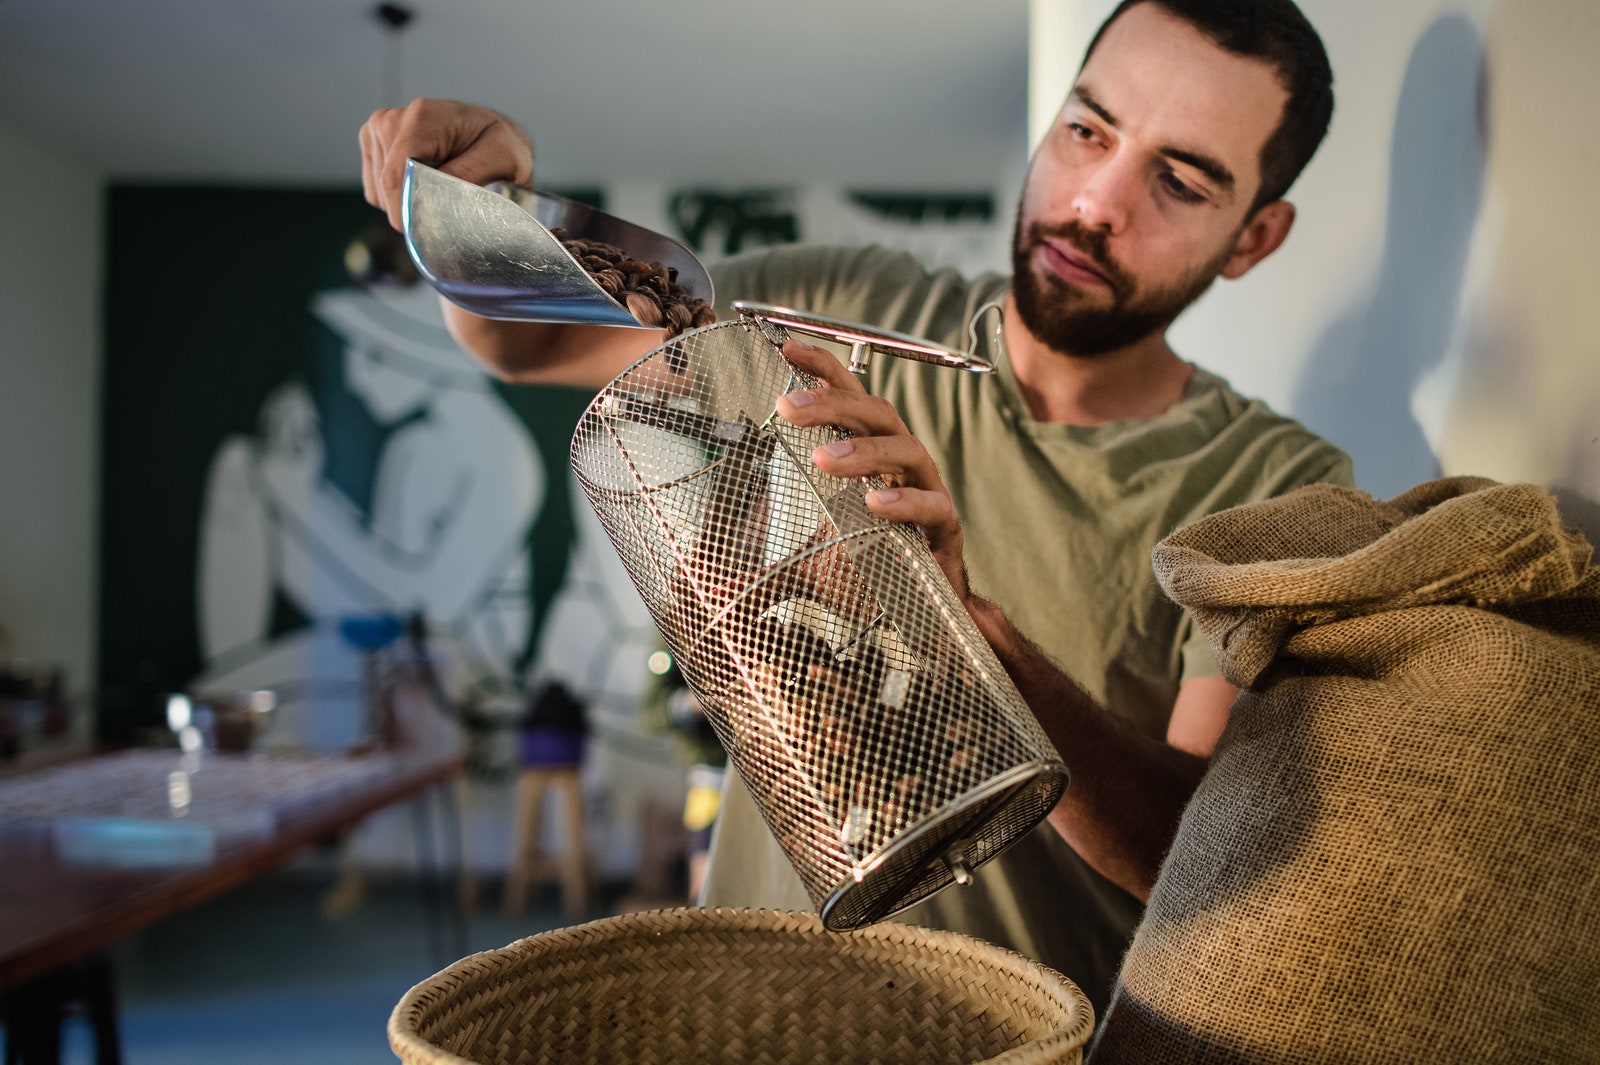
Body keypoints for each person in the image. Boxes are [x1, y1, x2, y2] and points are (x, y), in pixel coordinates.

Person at [358, 0, 1353, 1017]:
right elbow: (528, 343)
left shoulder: (1276, 491)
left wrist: (964, 619)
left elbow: (1195, 864)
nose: (1096, 200)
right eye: (1085, 130)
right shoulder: (842, 306)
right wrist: (485, 206)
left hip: (1010, 1032)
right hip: (739, 1007)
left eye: (1178, 181)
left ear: (1253, 239)